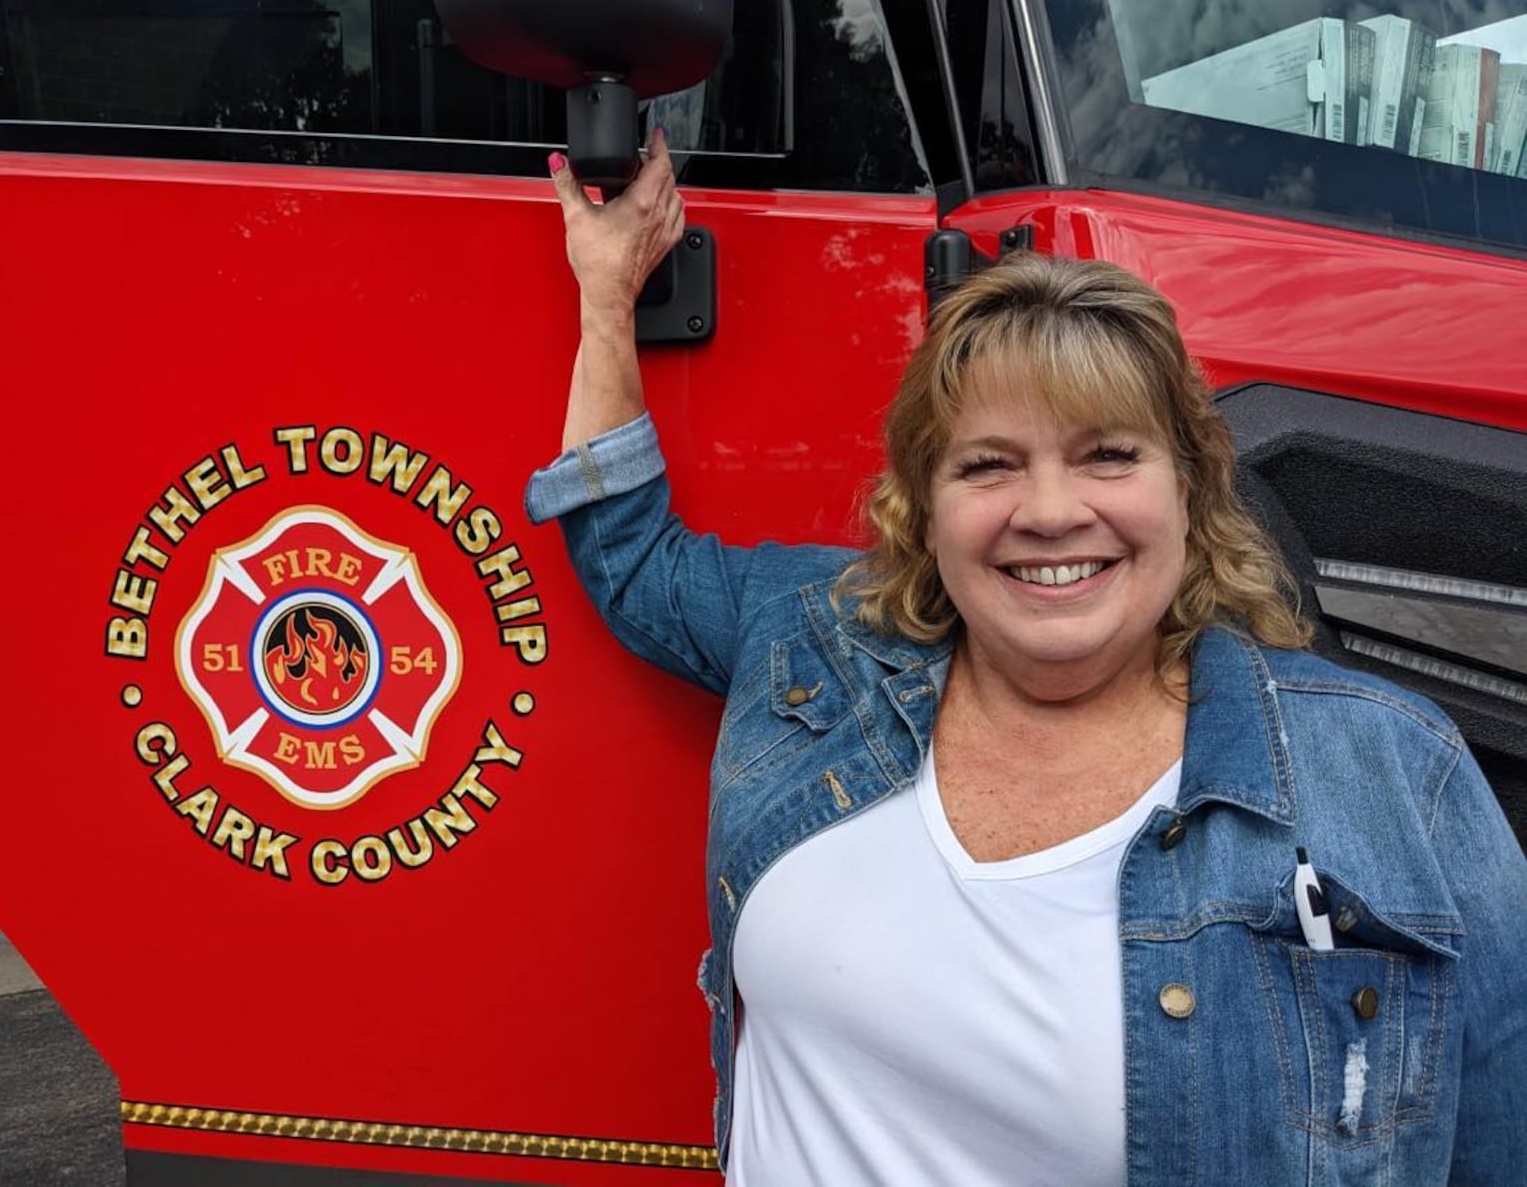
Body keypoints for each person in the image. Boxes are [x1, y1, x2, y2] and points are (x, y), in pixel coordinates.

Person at [526, 133, 1527, 1185]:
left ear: (1188, 486)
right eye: (989, 464)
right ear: (925, 507)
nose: (1050, 512)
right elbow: (632, 559)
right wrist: (607, 292)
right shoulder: (814, 636)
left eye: (1107, 454)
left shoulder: (1395, 778)